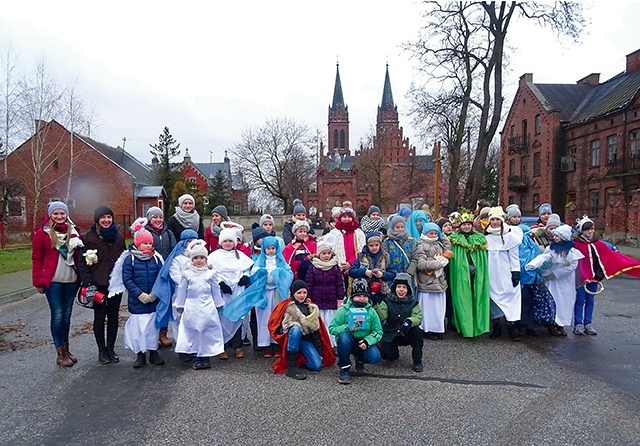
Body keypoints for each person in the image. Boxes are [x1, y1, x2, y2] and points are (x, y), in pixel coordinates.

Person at [221, 236, 293, 357]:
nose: (270, 251)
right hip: (263, 293)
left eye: (273, 248)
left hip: (276, 293)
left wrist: (278, 274)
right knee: (264, 319)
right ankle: (266, 345)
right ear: (264, 249)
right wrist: (261, 274)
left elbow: (288, 275)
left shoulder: (281, 262)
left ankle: (277, 343)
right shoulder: (259, 261)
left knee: (277, 318)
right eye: (268, 248)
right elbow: (253, 276)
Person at [32, 201, 83, 367]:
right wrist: (37, 282)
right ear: (50, 215)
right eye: (56, 214)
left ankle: (67, 349)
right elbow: (37, 259)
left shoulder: (74, 232)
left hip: (71, 281)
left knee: (67, 317)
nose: (59, 217)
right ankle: (60, 353)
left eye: (62, 214)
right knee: (58, 315)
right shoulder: (42, 233)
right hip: (53, 282)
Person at [572, 215, 640, 335]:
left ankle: (588, 324)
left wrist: (597, 277)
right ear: (582, 230)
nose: (590, 231)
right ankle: (578, 324)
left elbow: (606, 260)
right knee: (580, 300)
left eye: (592, 229)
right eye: (588, 229)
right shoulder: (576, 245)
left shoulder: (599, 244)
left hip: (594, 279)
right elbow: (574, 264)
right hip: (581, 278)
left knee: (590, 301)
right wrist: (583, 276)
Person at [78, 206, 126, 364]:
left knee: (113, 317)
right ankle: (102, 351)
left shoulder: (118, 237)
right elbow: (82, 263)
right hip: (97, 284)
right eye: (103, 218)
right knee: (99, 317)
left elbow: (124, 259)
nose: (106, 220)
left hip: (115, 284)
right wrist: (88, 282)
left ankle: (111, 349)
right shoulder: (89, 238)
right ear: (97, 220)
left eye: (109, 217)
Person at [505, 204, 556, 337]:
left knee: (530, 302)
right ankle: (520, 325)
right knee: (522, 303)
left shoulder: (529, 242)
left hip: (531, 279)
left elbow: (538, 255)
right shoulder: (515, 243)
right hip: (521, 279)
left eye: (518, 216)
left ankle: (530, 326)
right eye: (514, 216)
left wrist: (541, 262)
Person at [268, 280, 335, 380]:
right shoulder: (285, 306)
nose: (302, 295)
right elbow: (276, 326)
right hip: (291, 338)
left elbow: (316, 331)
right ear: (293, 293)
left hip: (305, 340)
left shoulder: (310, 306)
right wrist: (287, 329)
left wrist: (320, 353)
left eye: (304, 292)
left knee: (316, 366)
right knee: (296, 328)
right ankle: (291, 366)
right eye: (299, 293)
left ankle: (302, 358)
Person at [174, 243, 225, 370]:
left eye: (201, 258)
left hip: (207, 305)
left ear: (206, 259)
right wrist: (180, 305)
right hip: (192, 305)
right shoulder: (186, 274)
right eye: (196, 258)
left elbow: (215, 290)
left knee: (206, 329)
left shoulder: (211, 274)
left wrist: (219, 303)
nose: (198, 261)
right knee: (194, 330)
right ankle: (196, 356)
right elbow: (182, 290)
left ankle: (206, 355)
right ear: (192, 260)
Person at [121, 219, 165, 368]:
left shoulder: (156, 258)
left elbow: (161, 277)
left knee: (153, 328)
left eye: (150, 243)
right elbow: (127, 279)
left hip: (153, 301)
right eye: (145, 243)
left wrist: (154, 294)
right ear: (137, 244)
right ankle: (140, 354)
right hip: (138, 302)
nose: (148, 246)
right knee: (139, 329)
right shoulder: (130, 259)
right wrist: (139, 294)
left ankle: (153, 352)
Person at [526, 224, 583, 336]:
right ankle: (551, 324)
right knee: (552, 301)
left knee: (564, 302)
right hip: (551, 282)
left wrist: (555, 274)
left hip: (564, 282)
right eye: (555, 236)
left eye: (558, 236)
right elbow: (545, 259)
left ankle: (560, 325)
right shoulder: (550, 249)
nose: (555, 238)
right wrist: (542, 268)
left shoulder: (571, 252)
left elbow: (571, 266)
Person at [207, 228, 254, 359]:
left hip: (237, 290)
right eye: (225, 241)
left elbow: (246, 269)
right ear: (221, 242)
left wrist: (245, 277)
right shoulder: (214, 256)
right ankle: (223, 347)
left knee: (237, 317)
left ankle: (238, 346)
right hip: (224, 291)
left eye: (230, 241)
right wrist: (221, 283)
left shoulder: (239, 255)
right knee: (223, 319)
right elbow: (212, 273)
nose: (228, 243)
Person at [328, 278, 382, 384]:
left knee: (375, 357)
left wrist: (368, 341)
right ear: (352, 296)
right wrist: (346, 327)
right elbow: (332, 328)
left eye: (365, 296)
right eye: (358, 296)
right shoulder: (343, 310)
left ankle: (360, 358)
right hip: (348, 340)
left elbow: (378, 331)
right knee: (344, 338)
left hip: (363, 340)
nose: (362, 299)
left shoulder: (371, 312)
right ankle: (344, 368)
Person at [448, 212, 490, 338]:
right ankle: (464, 326)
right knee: (462, 297)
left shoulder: (479, 238)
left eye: (468, 225)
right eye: (464, 225)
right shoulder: (454, 239)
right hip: (461, 273)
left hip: (476, 272)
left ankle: (477, 325)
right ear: (460, 226)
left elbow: (482, 257)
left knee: (477, 296)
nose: (466, 227)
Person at [485, 206, 523, 341]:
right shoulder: (487, 237)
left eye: (497, 219)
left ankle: (512, 325)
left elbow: (514, 256)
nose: (495, 222)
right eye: (493, 219)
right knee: (493, 298)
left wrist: (515, 272)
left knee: (511, 296)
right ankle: (496, 326)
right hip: (492, 273)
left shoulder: (509, 236)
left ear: (502, 220)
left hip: (506, 272)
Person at [374, 273, 424, 372]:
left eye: (404, 287)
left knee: (417, 332)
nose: (401, 290)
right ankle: (385, 349)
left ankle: (417, 361)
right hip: (391, 333)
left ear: (409, 289)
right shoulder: (387, 301)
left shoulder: (413, 303)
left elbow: (418, 317)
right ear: (394, 288)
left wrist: (409, 321)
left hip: (406, 332)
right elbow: (382, 317)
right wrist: (376, 305)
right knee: (389, 356)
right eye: (399, 287)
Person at [145, 205, 177, 348]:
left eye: (160, 217)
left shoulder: (168, 233)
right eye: (155, 217)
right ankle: (153, 334)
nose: (158, 220)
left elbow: (174, 251)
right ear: (149, 219)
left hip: (166, 275)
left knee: (165, 304)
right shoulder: (145, 232)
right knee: (152, 305)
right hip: (150, 274)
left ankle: (163, 334)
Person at [413, 222, 451, 340]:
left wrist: (442, 235)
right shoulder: (421, 245)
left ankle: (437, 328)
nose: (433, 235)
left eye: (435, 233)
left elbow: (448, 248)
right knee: (428, 308)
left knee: (438, 308)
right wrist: (438, 263)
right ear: (425, 233)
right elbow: (421, 263)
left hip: (439, 281)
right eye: (431, 233)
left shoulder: (438, 243)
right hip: (427, 282)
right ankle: (427, 329)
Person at [305, 240, 345, 348]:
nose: (326, 256)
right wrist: (308, 298)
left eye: (328, 253)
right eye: (324, 253)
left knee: (331, 323)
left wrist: (340, 299)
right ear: (319, 254)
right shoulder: (313, 267)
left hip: (331, 300)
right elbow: (309, 284)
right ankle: (321, 345)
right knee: (320, 324)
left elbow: (339, 284)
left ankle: (333, 345)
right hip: (317, 300)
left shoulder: (335, 267)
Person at [349, 232, 395, 305]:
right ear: (367, 246)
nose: (374, 248)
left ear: (380, 245)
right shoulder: (361, 256)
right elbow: (352, 271)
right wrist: (364, 272)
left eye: (376, 245)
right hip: (364, 292)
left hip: (381, 292)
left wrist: (382, 274)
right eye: (371, 245)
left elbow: (392, 273)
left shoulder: (385, 257)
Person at [328, 206, 366, 293]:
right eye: (344, 217)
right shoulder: (334, 233)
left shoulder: (358, 232)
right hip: (339, 267)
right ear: (340, 218)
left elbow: (361, 250)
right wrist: (340, 263)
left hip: (354, 266)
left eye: (349, 217)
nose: (347, 219)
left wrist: (351, 263)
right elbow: (330, 249)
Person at [383, 215, 417, 281]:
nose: (400, 229)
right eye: (397, 227)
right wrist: (391, 272)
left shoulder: (411, 241)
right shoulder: (387, 242)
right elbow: (385, 258)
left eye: (402, 227)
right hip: (392, 276)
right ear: (393, 227)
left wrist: (409, 273)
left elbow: (415, 258)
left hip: (408, 275)